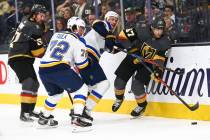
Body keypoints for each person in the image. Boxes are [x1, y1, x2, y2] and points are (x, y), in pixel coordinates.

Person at [112, 16, 172, 117]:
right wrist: (131, 49)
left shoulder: (165, 42)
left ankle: (142, 105)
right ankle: (119, 98)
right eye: (157, 29)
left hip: (148, 63)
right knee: (119, 81)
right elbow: (122, 35)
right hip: (133, 56)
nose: (159, 32)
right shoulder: (141, 30)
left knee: (136, 86)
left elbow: (161, 59)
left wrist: (158, 71)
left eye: (161, 29)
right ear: (152, 27)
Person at [67, 11, 120, 122]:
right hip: (89, 56)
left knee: (90, 87)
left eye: (116, 20)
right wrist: (109, 36)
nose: (113, 21)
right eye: (111, 19)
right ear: (106, 18)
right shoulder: (103, 25)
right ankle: (86, 110)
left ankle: (77, 110)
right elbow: (96, 24)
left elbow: (111, 48)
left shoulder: (108, 33)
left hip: (83, 57)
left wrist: (127, 48)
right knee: (104, 84)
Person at [37, 25, 92, 129]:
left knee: (55, 95)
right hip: (59, 68)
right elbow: (82, 65)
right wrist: (87, 60)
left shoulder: (56, 35)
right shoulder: (79, 42)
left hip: (43, 69)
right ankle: (77, 118)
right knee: (82, 89)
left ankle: (44, 117)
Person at [8, 4, 47, 122]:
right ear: (34, 15)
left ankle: (29, 110)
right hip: (19, 57)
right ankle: (24, 113)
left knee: (35, 84)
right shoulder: (35, 27)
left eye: (44, 16)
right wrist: (46, 50)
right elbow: (38, 53)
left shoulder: (27, 21)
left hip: (20, 56)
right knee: (29, 82)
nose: (43, 18)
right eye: (41, 15)